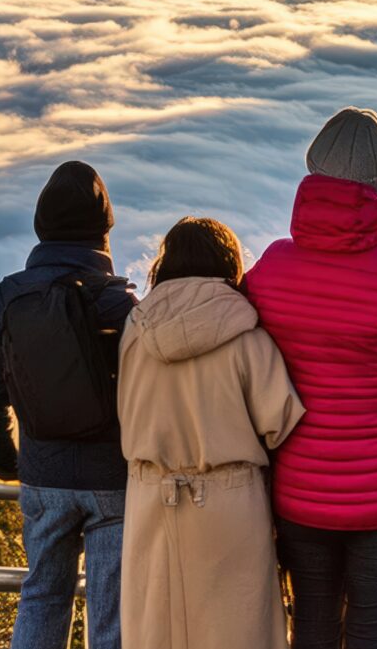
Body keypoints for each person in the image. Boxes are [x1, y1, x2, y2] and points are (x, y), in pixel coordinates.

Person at [246, 106, 377, 649]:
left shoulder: (271, 267)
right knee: (371, 632)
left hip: (297, 486)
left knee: (312, 626)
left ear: (311, 174)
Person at [117, 217, 306, 649]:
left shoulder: (134, 330)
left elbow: (124, 408)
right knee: (237, 631)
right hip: (230, 502)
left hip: (150, 495)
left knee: (155, 630)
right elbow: (278, 420)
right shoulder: (248, 337)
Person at [0, 161, 137, 649]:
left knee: (42, 596)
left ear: (41, 227)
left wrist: (10, 464)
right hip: (111, 479)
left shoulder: (6, 296)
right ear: (103, 229)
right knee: (110, 612)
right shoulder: (119, 303)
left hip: (42, 476)